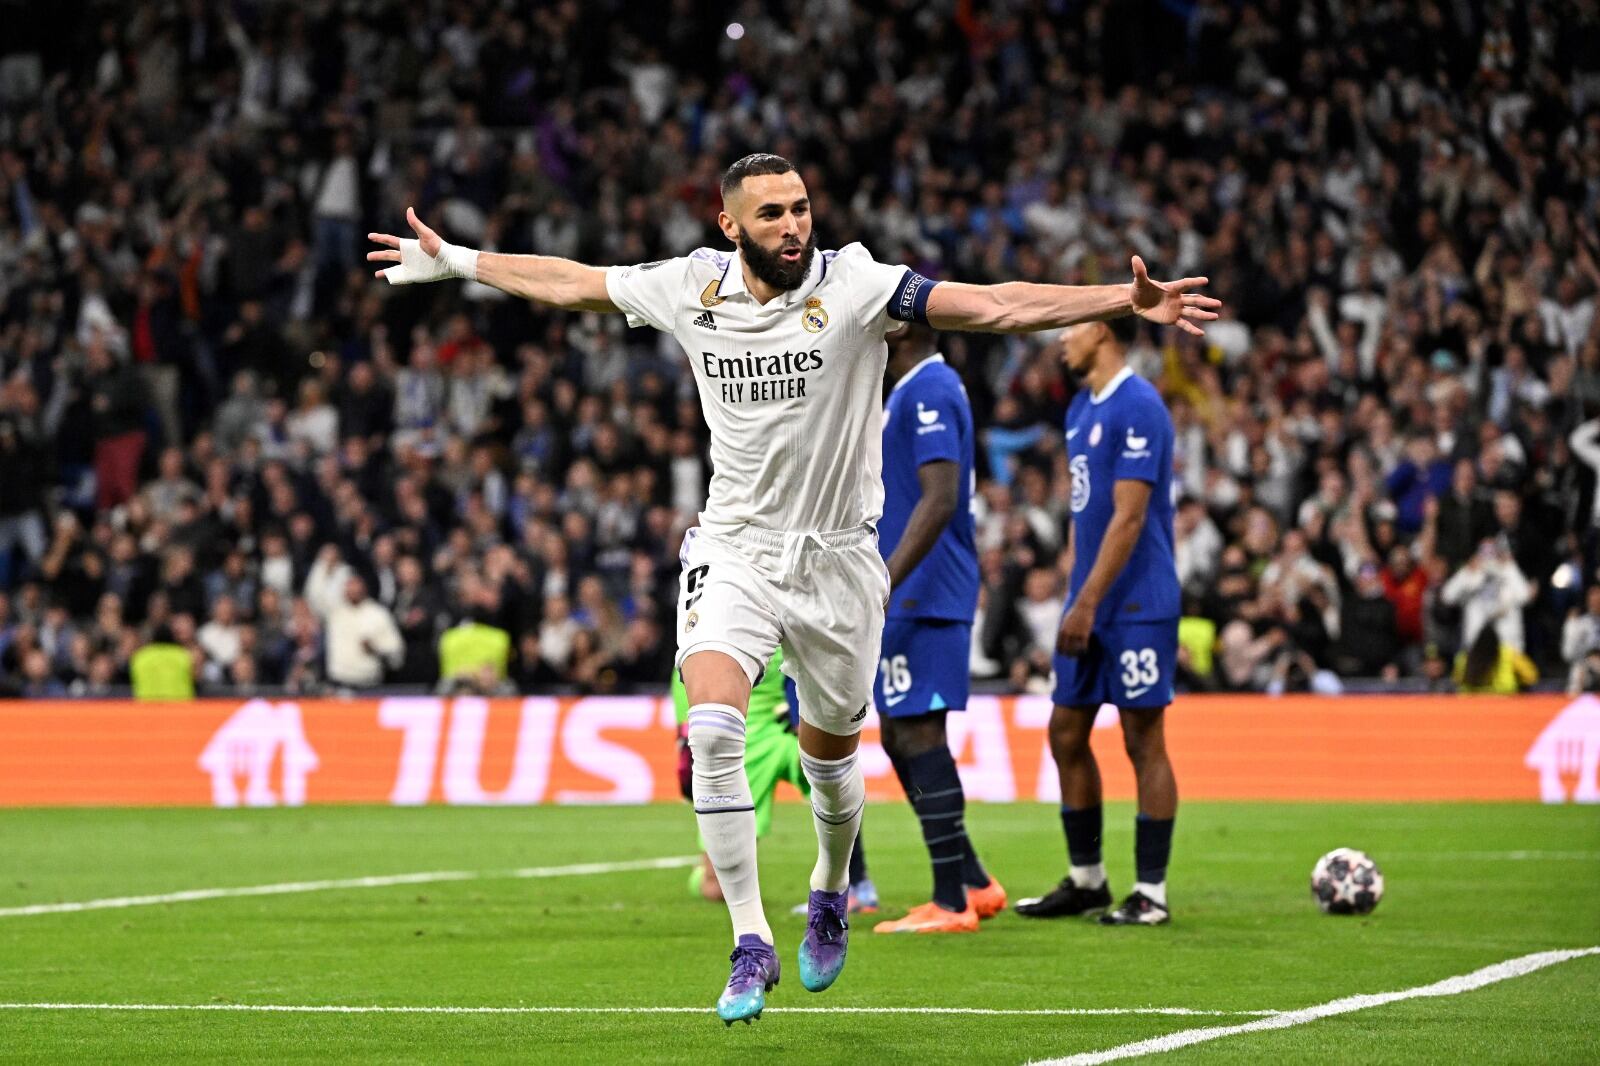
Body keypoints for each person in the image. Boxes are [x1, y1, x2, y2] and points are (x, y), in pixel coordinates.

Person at [369, 152, 1218, 1022]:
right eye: (771, 214)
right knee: (711, 727)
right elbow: (574, 283)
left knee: (831, 762)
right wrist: (460, 262)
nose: (793, 226)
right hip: (735, 548)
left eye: (801, 208)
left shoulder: (857, 286)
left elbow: (993, 304)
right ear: (731, 224)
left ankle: (826, 886)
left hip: (842, 560)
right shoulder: (690, 287)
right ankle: (749, 940)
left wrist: (1120, 299)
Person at [1016, 316, 1182, 927]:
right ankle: (1088, 880)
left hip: (1138, 602)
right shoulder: (1082, 410)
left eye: (1071, 327)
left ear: (1105, 334)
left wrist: (1085, 601)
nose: (1060, 337)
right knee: (1065, 733)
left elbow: (1130, 519)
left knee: (1143, 740)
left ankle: (1152, 892)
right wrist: (1074, 591)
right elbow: (1084, 518)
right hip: (1087, 598)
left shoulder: (1139, 404)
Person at [870, 322, 1005, 935]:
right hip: (917, 594)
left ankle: (950, 900)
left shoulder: (930, 388)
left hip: (924, 592)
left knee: (919, 734)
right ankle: (973, 881)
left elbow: (941, 495)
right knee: (901, 735)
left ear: (904, 327)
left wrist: (887, 577)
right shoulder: (913, 389)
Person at [671, 646, 876, 911]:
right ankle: (705, 872)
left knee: (837, 787)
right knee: (716, 887)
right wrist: (686, 733)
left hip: (797, 724)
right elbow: (688, 668)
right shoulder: (719, 616)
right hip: (748, 737)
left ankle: (856, 886)